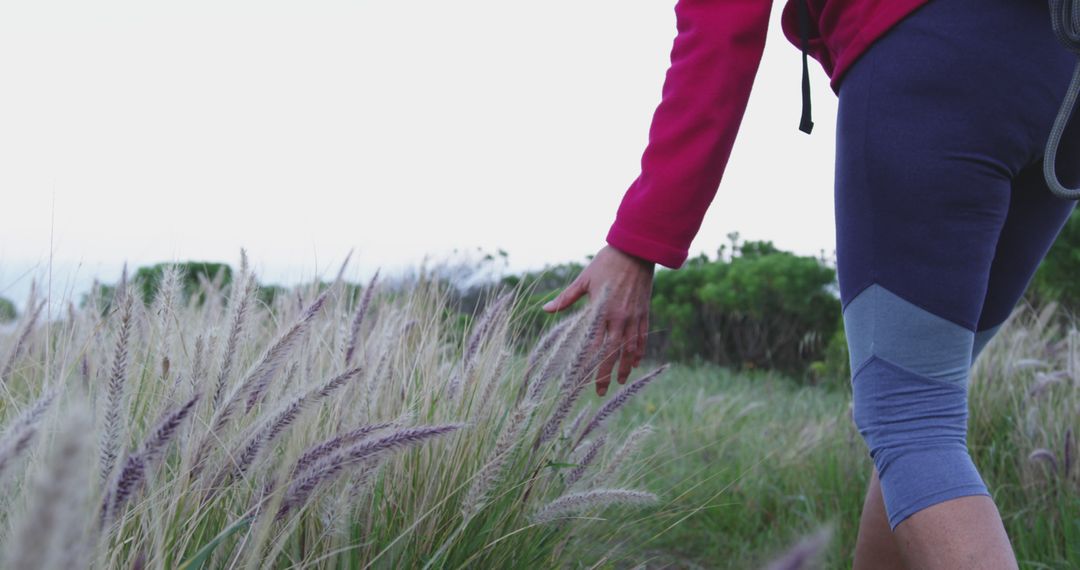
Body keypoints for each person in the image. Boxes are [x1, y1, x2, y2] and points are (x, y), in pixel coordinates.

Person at [540, 0, 1080, 568]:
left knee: (912, 419)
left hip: (941, 56)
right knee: (920, 409)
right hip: (1061, 79)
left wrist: (637, 240)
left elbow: (722, 24)